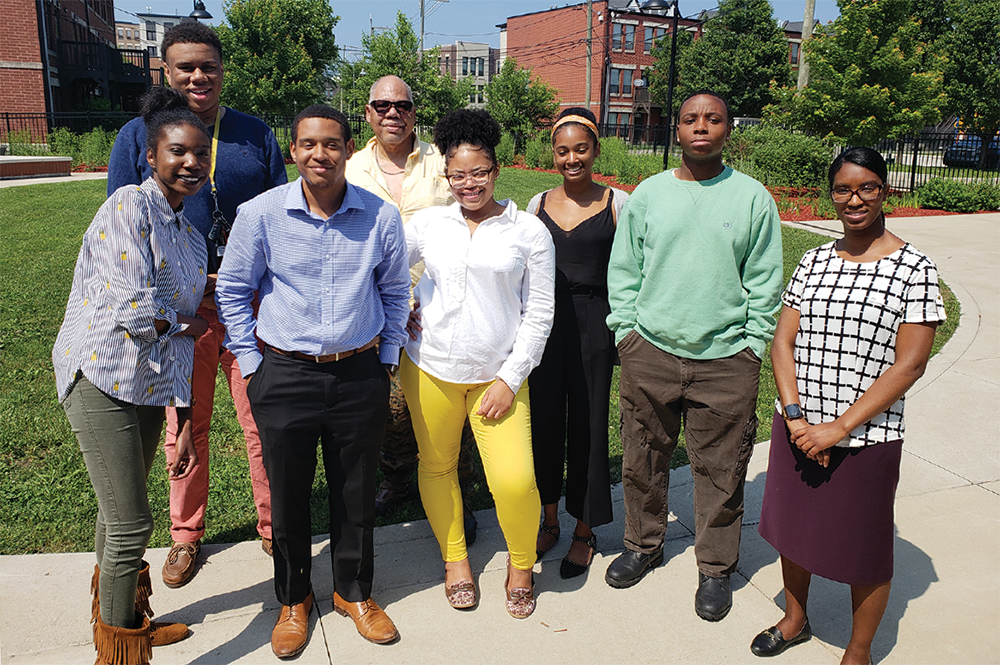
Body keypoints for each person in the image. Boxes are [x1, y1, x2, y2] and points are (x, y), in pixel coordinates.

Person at [216, 105, 409, 658]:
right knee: (288, 494)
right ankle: (294, 598)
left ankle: (353, 592)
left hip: (358, 372)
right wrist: (252, 365)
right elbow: (232, 290)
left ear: (349, 149)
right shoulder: (260, 214)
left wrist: (387, 358)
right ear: (293, 150)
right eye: (308, 144)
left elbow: (395, 290)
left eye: (331, 144)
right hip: (283, 373)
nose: (319, 155)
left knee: (355, 493)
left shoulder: (380, 216)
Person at [107, 21, 287, 587]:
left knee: (263, 417)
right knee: (185, 419)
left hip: (247, 300)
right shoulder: (136, 138)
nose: (197, 76)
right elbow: (120, 225)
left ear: (222, 70)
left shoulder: (253, 135)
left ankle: (275, 525)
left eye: (207, 65)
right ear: (165, 71)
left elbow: (283, 213)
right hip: (178, 310)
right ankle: (185, 534)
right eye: (184, 66)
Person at [751, 147, 945, 664]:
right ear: (831, 194)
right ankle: (795, 618)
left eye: (866, 188)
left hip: (865, 438)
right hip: (798, 426)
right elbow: (782, 343)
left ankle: (857, 654)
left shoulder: (913, 270)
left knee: (865, 551)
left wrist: (836, 429)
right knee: (792, 532)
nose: (854, 199)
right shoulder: (814, 260)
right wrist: (795, 419)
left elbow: (910, 365)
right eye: (842, 189)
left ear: (885, 190)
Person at [604, 90, 783, 622]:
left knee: (722, 469)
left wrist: (753, 346)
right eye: (690, 119)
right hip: (650, 351)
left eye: (713, 118)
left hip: (727, 359)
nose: (701, 126)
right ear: (675, 130)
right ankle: (643, 544)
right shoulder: (649, 195)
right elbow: (625, 271)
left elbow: (765, 280)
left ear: (729, 129)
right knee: (642, 457)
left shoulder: (753, 199)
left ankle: (715, 568)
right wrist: (627, 334)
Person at [53, 87, 211, 665]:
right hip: (101, 381)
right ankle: (121, 653)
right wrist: (186, 321)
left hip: (146, 389)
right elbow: (129, 307)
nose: (191, 162)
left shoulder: (190, 235)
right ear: (151, 155)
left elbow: (184, 340)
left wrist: (187, 419)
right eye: (178, 151)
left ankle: (119, 624)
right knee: (132, 524)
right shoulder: (129, 206)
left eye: (201, 153)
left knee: (115, 515)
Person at [400, 109, 555, 617]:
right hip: (429, 369)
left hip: (498, 378)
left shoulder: (528, 231)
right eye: (458, 174)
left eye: (480, 172)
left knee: (514, 479)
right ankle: (455, 560)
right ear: (446, 174)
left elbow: (540, 314)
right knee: (438, 466)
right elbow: (382, 268)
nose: (469, 184)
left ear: (496, 169)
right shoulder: (428, 223)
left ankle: (520, 563)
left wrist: (511, 379)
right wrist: (401, 303)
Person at [346, 75, 480, 541]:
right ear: (367, 113)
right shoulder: (352, 169)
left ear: (413, 112)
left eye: (401, 105)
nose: (392, 113)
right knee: (388, 405)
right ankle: (398, 478)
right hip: (373, 308)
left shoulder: (443, 163)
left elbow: (469, 218)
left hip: (437, 308)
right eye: (381, 105)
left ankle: (458, 487)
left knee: (447, 400)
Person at [525, 107, 629, 579]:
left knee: (588, 425)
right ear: (553, 153)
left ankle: (585, 531)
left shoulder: (616, 203)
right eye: (563, 150)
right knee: (544, 421)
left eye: (581, 149)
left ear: (596, 150)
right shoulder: (536, 204)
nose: (572, 158)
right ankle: (548, 520)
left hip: (595, 323)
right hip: (546, 325)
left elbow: (631, 270)